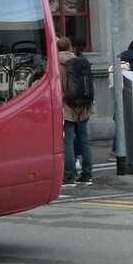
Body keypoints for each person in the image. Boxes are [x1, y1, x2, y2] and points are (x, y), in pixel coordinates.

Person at [58, 36, 94, 187]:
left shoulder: (57, 63)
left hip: (67, 106)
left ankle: (69, 176)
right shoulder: (80, 60)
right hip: (84, 106)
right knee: (85, 141)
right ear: (70, 46)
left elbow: (59, 86)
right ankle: (87, 175)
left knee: (68, 141)